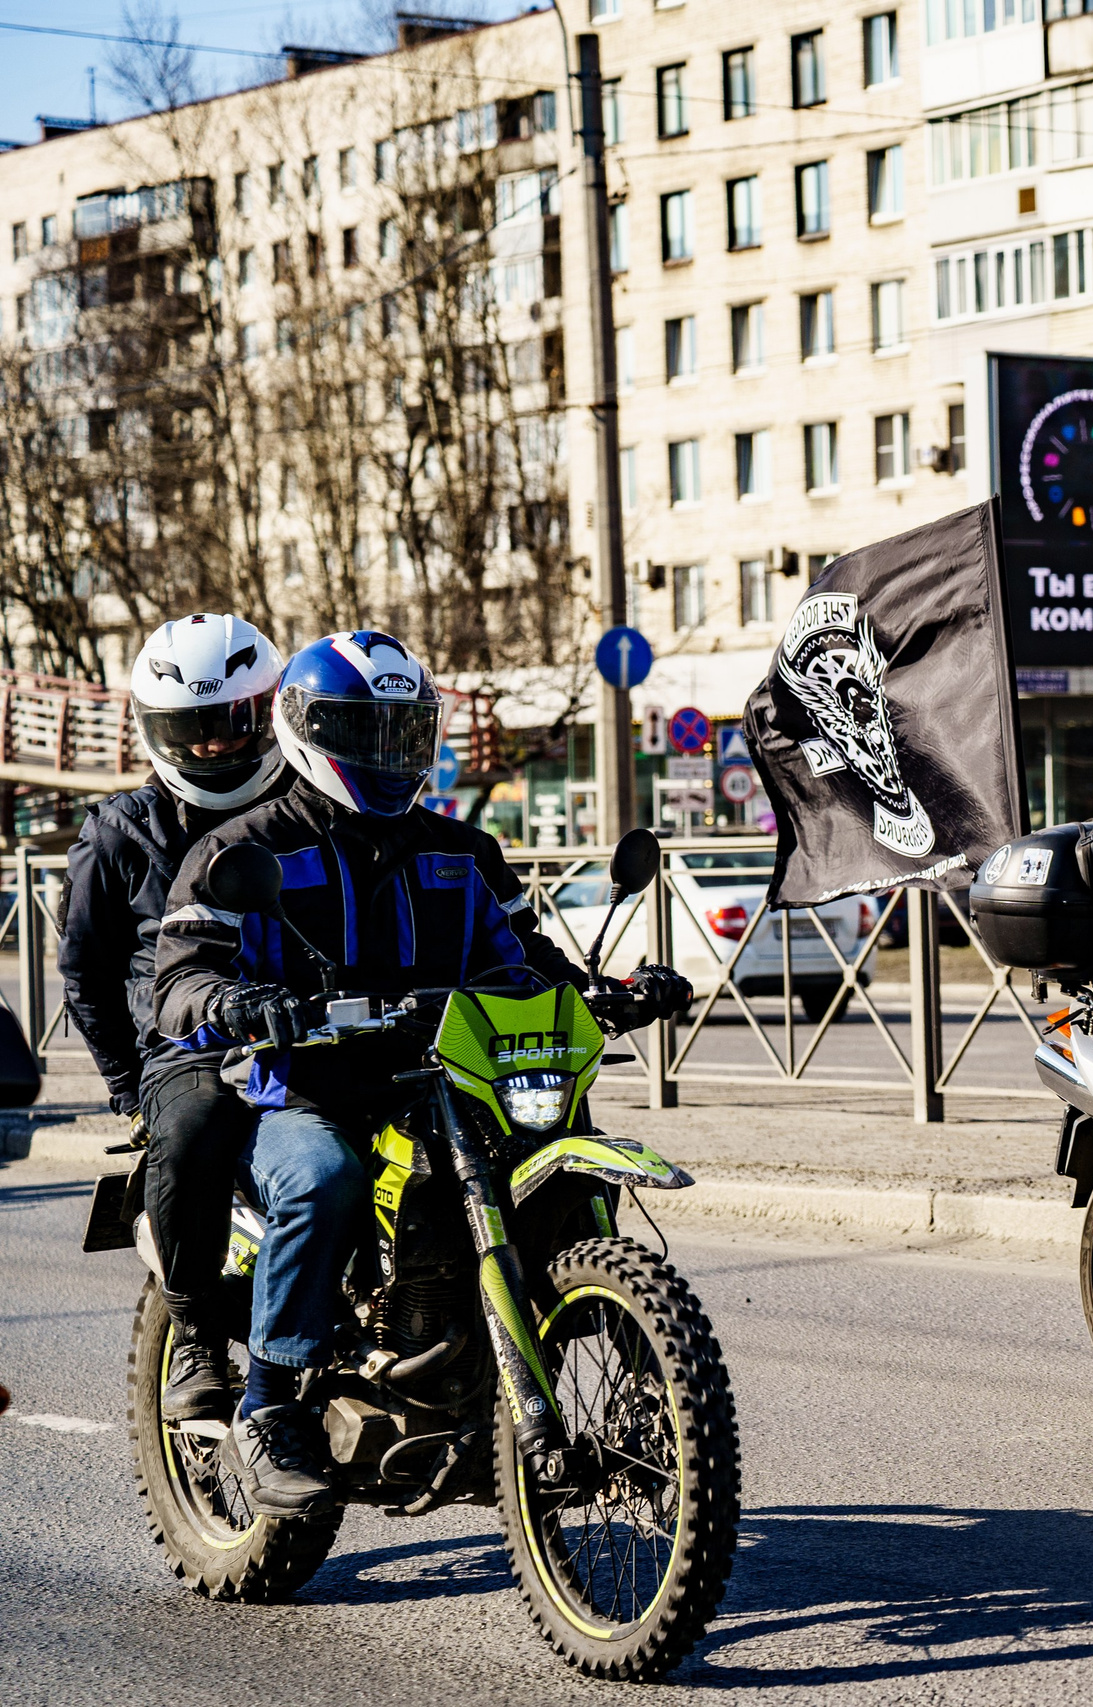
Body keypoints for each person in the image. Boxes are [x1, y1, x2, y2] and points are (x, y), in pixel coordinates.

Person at [154, 630, 692, 1514]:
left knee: (555, 1140)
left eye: (402, 732)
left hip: (444, 1079)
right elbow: (179, 977)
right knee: (325, 1178)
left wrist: (609, 990)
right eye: (363, 731)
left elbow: (522, 961)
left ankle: (629, 1377)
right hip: (305, 1090)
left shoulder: (463, 852)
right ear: (306, 729)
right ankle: (268, 1403)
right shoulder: (245, 850)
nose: (384, 752)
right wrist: (239, 1003)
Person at [60, 615, 293, 1423]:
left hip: (301, 1022)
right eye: (190, 730)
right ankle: (194, 1330)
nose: (214, 747)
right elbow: (83, 971)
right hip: (187, 1043)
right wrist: (129, 1090)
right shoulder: (119, 830)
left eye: (234, 722)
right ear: (155, 729)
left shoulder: (302, 807)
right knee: (195, 1125)